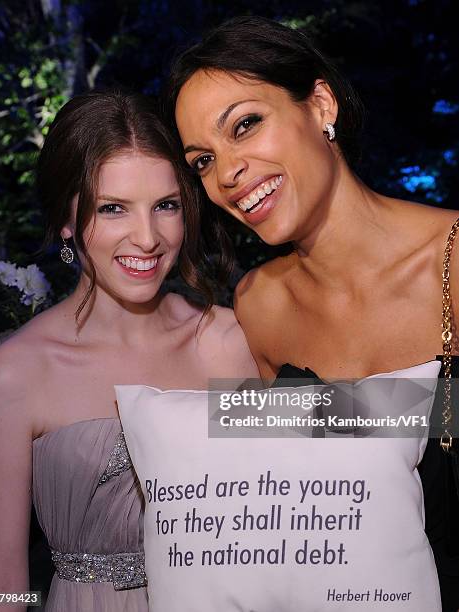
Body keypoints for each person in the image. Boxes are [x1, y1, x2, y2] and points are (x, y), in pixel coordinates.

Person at [166, 16, 459, 612]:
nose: (226, 175)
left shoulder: (452, 259)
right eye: (202, 161)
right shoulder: (259, 306)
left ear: (320, 104)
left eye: (245, 125)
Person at [0, 91, 258, 612]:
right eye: (113, 209)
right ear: (66, 220)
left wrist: (443, 407)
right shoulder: (13, 374)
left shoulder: (226, 343)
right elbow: (1, 573)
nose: (148, 238)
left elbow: (334, 449)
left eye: (166, 206)